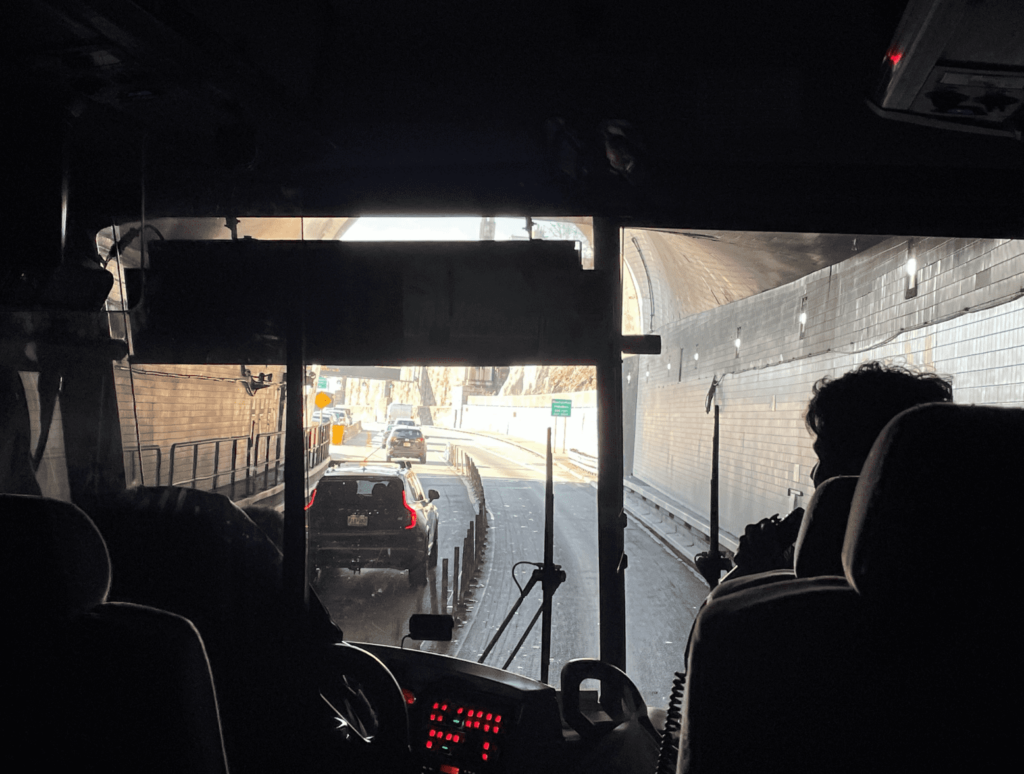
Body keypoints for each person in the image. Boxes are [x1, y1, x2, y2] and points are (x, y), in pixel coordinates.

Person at [729, 361, 953, 579]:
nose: (814, 474)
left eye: (825, 458)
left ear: (865, 468)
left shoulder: (817, 577)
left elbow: (723, 615)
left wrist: (755, 569)